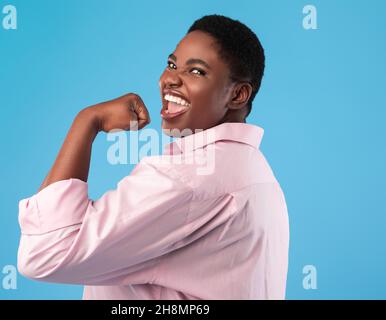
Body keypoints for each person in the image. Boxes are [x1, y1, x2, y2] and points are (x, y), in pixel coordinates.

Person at [17, 14, 289, 300]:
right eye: (172, 65)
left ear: (238, 95)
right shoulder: (256, 172)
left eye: (196, 72)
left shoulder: (189, 177)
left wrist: (87, 121)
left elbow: (43, 254)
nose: (170, 79)